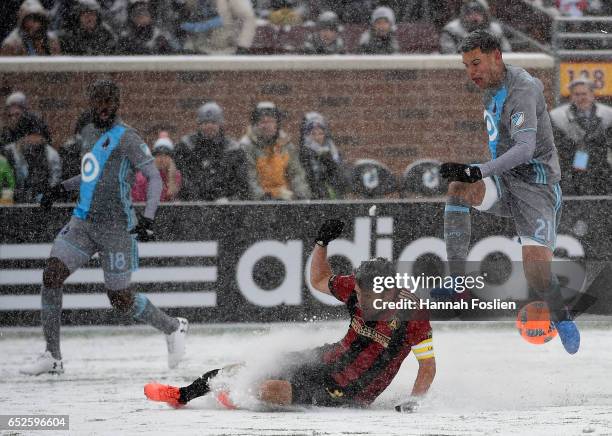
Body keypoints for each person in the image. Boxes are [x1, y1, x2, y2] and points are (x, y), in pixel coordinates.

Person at [144, 219, 436, 411]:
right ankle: (182, 395)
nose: (360, 300)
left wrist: (414, 401)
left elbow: (427, 367)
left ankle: (236, 398)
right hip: (328, 358)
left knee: (270, 389)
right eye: (358, 294)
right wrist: (321, 243)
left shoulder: (414, 316)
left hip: (351, 391)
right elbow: (320, 280)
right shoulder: (356, 287)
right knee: (250, 366)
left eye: (368, 297)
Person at [19, 79, 188, 376]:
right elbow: (91, 176)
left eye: (110, 102)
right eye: (99, 102)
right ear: (92, 103)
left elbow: (154, 177)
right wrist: (59, 189)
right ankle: (52, 355)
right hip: (83, 222)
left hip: (116, 229)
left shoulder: (128, 138)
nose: (104, 108)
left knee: (120, 299)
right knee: (52, 275)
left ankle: (172, 327)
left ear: (117, 104)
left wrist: (148, 217)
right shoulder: (88, 133)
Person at [438, 29, 580, 354]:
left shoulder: (522, 89)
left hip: (537, 187)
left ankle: (562, 316)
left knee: (537, 273)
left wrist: (479, 170)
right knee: (459, 188)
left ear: (496, 56)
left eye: (476, 63)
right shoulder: (490, 87)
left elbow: (525, 148)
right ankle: (458, 279)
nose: (471, 72)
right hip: (506, 182)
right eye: (466, 66)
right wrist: (473, 174)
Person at [549, 77, 612, 196]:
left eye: (584, 93)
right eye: (577, 94)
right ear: (571, 96)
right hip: (570, 173)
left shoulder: (608, 115)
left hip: (601, 173)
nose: (581, 98)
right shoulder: (558, 117)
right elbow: (556, 145)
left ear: (592, 95)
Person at [175, 102, 249, 201]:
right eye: (205, 123)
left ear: (220, 125)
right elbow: (183, 178)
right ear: (199, 125)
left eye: (213, 123)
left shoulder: (233, 150)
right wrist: (193, 198)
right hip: (193, 206)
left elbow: (241, 184)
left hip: (225, 207)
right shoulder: (186, 147)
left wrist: (229, 200)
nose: (209, 126)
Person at [240, 101, 311, 200]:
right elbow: (250, 179)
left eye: (271, 121)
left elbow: (296, 174)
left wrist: (302, 195)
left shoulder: (286, 145)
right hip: (259, 203)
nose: (267, 126)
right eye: (263, 122)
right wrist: (263, 198)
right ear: (255, 125)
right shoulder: (247, 146)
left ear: (277, 124)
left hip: (285, 199)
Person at [3, 113, 61, 203]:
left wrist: (45, 196)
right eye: (30, 134)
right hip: (12, 203)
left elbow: (54, 181)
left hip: (40, 203)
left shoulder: (50, 154)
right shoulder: (8, 152)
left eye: (37, 135)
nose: (34, 139)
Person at [299, 112, 347, 199]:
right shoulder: (304, 154)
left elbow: (341, 178)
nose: (317, 137)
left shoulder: (333, 152)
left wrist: (329, 160)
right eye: (313, 134)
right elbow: (309, 179)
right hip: (314, 199)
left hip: (334, 197)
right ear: (307, 135)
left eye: (320, 133)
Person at [439, 0, 510, 54]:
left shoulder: (495, 30)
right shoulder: (451, 30)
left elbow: (506, 52)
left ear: (485, 15)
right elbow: (449, 55)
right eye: (469, 13)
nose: (474, 16)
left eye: (478, 13)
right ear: (464, 15)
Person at [132, 134, 182, 202]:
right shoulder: (143, 177)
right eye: (158, 155)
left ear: (171, 158)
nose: (162, 159)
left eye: (166, 155)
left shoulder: (177, 176)